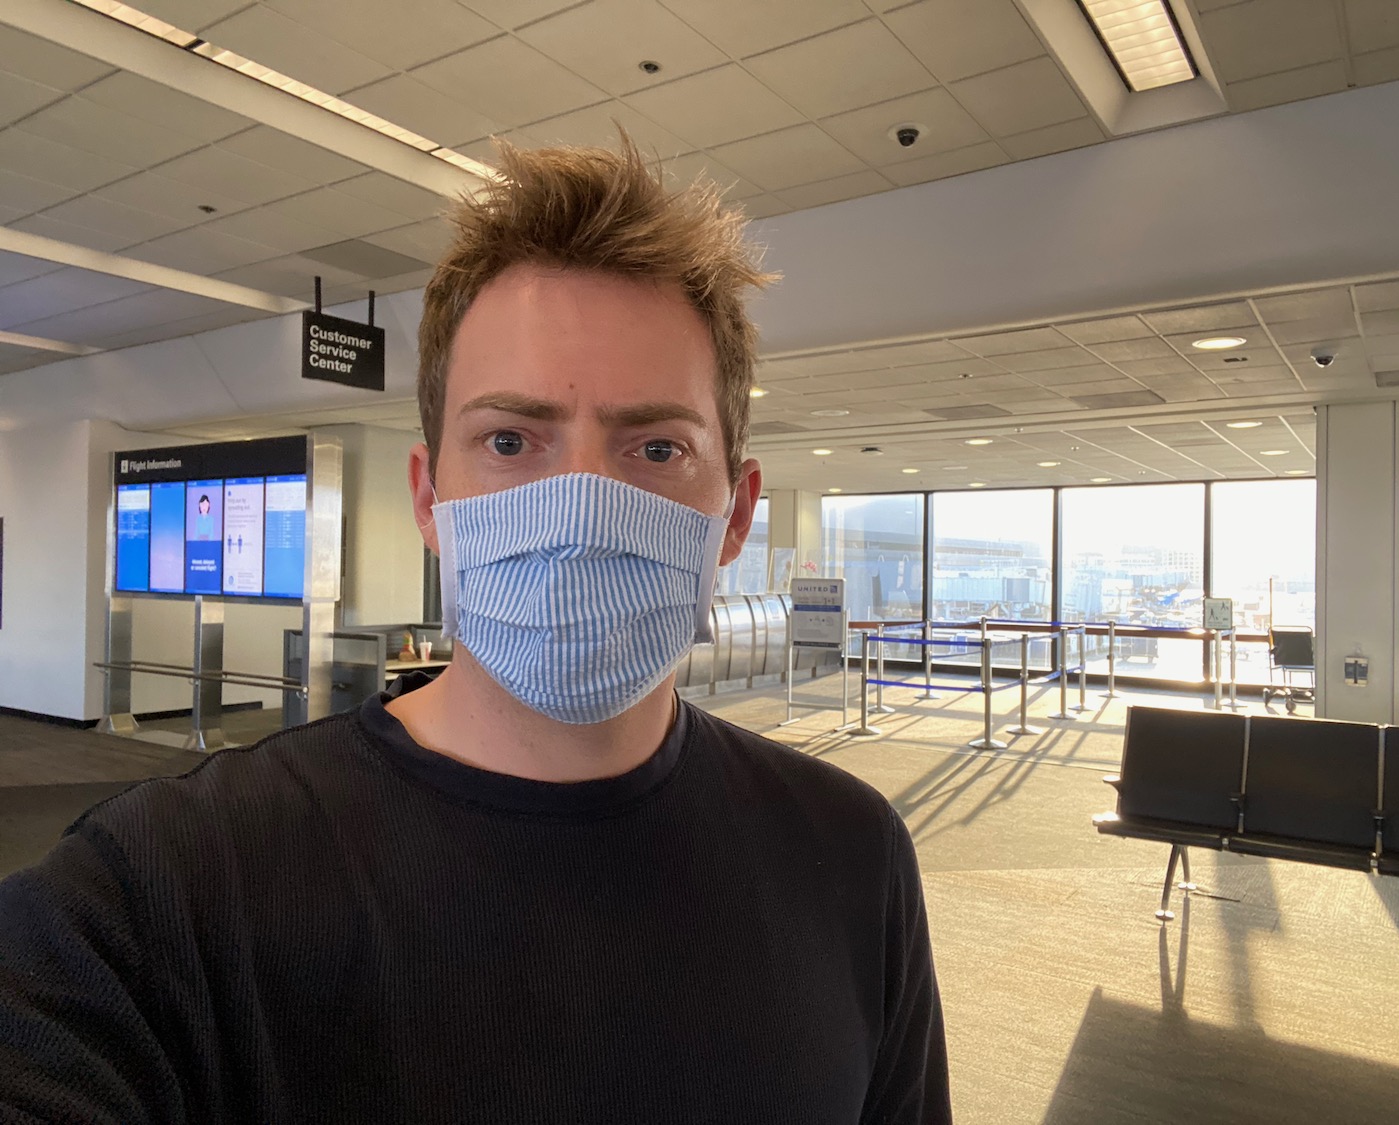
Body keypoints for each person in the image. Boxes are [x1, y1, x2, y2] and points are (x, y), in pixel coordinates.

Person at [0, 138, 949, 1123]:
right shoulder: (169, 889)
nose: (583, 509)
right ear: (430, 497)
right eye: (510, 441)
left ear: (736, 516)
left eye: (657, 447)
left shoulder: (850, 856)